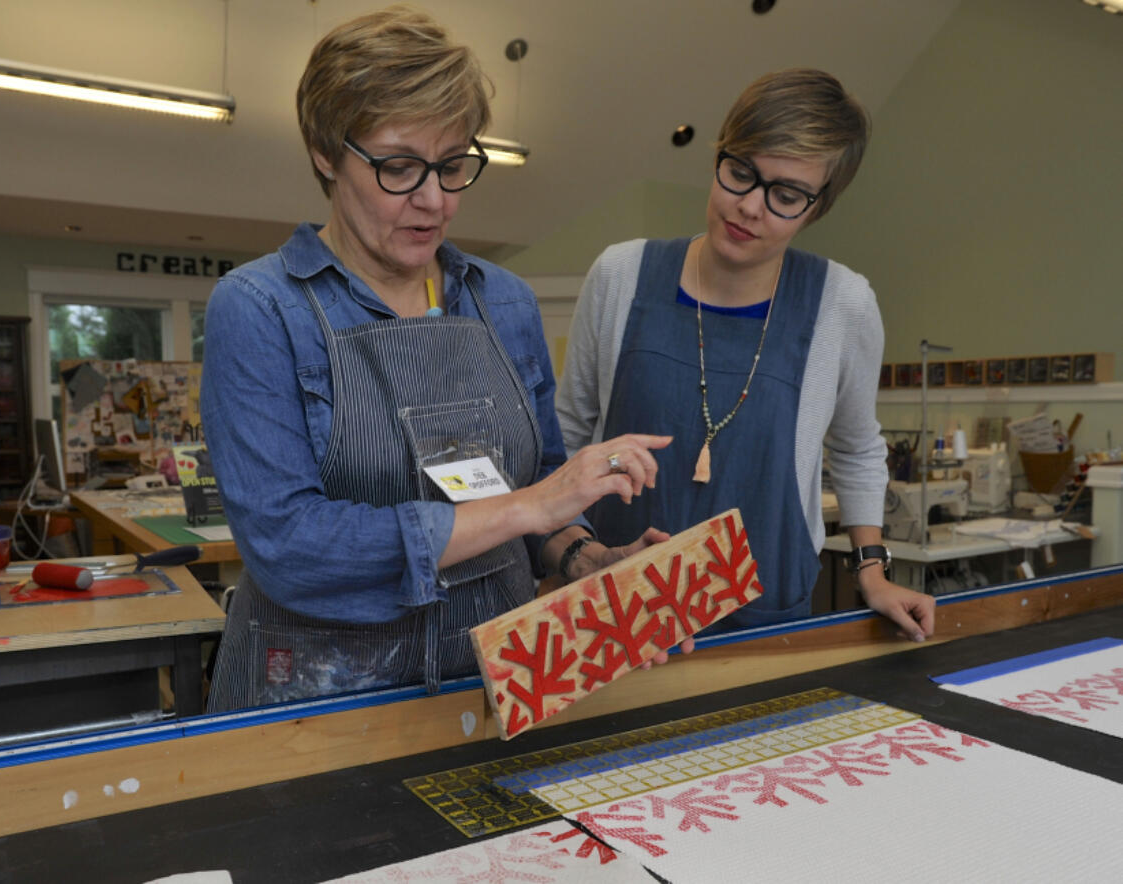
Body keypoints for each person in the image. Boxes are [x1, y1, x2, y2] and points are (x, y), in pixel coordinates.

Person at [200, 7, 670, 713]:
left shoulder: (501, 301)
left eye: (453, 166)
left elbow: (538, 475)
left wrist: (583, 557)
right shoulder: (262, 307)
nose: (434, 200)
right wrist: (528, 506)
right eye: (398, 167)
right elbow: (289, 544)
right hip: (317, 700)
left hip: (498, 684)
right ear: (326, 153)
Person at [556, 69, 935, 642]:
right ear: (719, 156)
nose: (750, 207)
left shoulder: (843, 304)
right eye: (740, 174)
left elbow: (857, 449)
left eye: (785, 195)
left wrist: (873, 571)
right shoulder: (622, 275)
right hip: (614, 605)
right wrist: (575, 553)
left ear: (817, 207)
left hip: (767, 616)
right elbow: (566, 433)